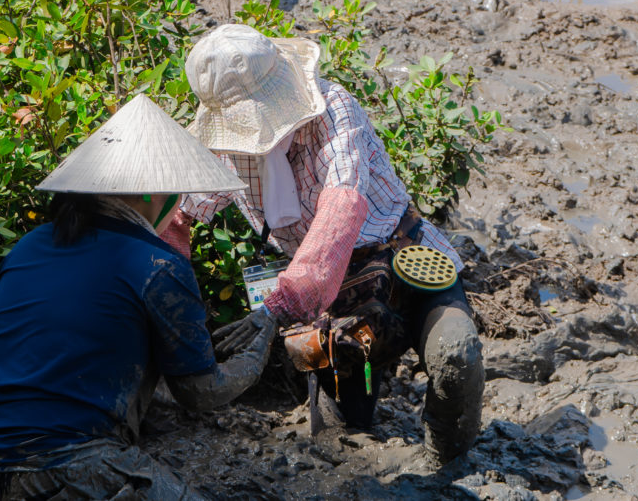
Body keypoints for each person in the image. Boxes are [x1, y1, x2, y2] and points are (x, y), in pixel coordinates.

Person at [161, 24, 484, 463]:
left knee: (456, 355)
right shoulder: (227, 148)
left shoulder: (333, 109)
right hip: (335, 303)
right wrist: (171, 325)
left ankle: (445, 463)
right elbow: (177, 219)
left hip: (406, 262)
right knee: (345, 434)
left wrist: (276, 309)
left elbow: (342, 208)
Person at [0, 94, 278, 500]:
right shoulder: (159, 266)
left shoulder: (26, 247)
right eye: (173, 190)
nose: (177, 202)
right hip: (64, 466)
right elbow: (199, 393)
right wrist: (257, 353)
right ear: (147, 192)